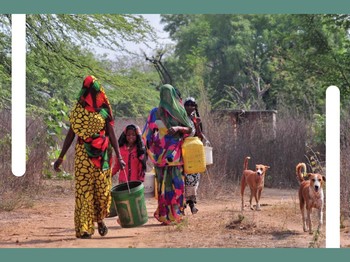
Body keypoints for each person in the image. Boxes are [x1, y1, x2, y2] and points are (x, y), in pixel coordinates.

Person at [53, 75, 125, 239]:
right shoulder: (78, 111)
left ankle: (99, 219)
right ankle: (85, 228)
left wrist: (120, 157)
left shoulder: (104, 110)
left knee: (101, 191)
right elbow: (71, 135)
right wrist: (61, 157)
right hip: (83, 155)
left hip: (102, 156)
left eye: (95, 90)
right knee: (84, 191)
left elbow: (112, 134)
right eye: (89, 90)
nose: (92, 93)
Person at [142, 84, 194, 225]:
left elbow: (191, 129)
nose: (166, 97)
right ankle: (164, 215)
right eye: (163, 94)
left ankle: (176, 213)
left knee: (177, 183)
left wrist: (178, 128)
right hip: (160, 155)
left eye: (168, 94)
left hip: (176, 153)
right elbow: (147, 134)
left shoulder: (180, 111)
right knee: (163, 185)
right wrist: (149, 148)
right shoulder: (155, 113)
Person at [183, 97, 209, 215]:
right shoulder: (181, 118)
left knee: (193, 179)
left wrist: (198, 126)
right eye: (187, 105)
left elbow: (200, 135)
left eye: (192, 105)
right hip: (182, 152)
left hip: (193, 154)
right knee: (183, 179)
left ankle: (192, 204)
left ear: (195, 107)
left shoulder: (196, 120)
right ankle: (182, 206)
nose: (189, 107)